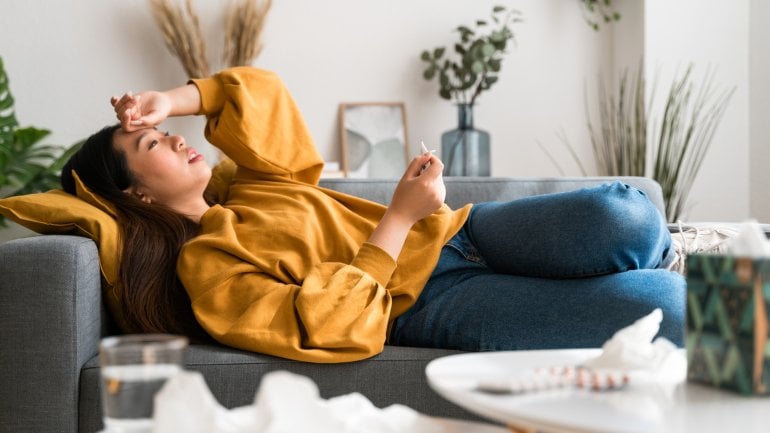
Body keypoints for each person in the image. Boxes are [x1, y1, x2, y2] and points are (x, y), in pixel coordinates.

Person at [61, 67, 685, 363]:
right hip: (428, 301)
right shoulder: (209, 265)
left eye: (167, 131)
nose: (173, 138)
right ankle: (691, 276)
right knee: (667, 305)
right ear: (136, 197)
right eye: (151, 145)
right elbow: (328, 325)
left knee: (623, 214)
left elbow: (262, 92)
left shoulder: (248, 185)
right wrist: (397, 219)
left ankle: (669, 251)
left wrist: (167, 99)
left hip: (461, 231)